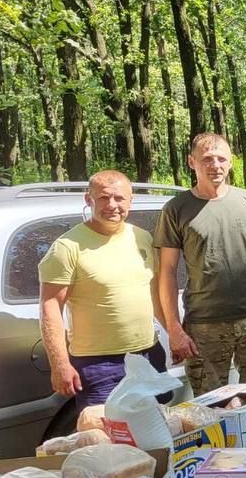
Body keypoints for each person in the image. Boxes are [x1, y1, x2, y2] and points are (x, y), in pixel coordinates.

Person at [155, 133, 246, 396]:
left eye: (221, 159)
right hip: (203, 325)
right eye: (206, 159)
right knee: (211, 406)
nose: (215, 165)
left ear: (230, 163)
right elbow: (168, 272)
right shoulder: (176, 209)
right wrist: (173, 328)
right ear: (192, 162)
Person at [39, 171, 167, 413]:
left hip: (148, 355)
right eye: (103, 198)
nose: (112, 205)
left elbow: (154, 293)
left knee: (159, 433)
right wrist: (60, 364)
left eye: (119, 198)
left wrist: (175, 332)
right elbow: (50, 307)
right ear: (89, 199)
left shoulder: (142, 238)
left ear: (131, 200)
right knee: (108, 440)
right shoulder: (67, 247)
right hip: (98, 364)